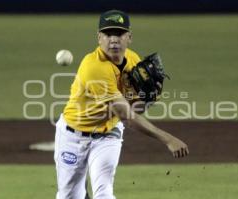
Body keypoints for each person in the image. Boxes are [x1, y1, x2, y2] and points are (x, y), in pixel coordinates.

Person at [54, 10, 189, 199]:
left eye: (119, 34)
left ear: (129, 37)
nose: (114, 40)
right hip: (73, 135)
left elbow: (133, 108)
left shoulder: (133, 60)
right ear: (99, 38)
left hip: (108, 135)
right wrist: (168, 139)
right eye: (108, 34)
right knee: (69, 196)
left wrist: (146, 99)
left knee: (104, 193)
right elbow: (128, 116)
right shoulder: (93, 67)